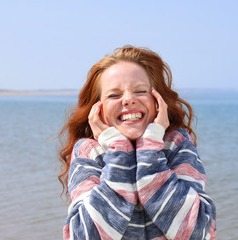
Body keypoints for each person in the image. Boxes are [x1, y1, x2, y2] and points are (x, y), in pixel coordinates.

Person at [58, 45, 216, 240]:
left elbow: (197, 232)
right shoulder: (88, 152)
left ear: (157, 100)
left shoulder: (176, 144)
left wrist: (150, 151)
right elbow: (84, 235)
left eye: (140, 91)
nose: (128, 100)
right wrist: (118, 153)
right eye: (114, 95)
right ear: (97, 108)